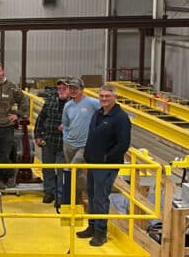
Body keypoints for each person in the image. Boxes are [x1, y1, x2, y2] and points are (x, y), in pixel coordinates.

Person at [79, 85, 132, 247]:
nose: (103, 99)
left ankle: (101, 233)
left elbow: (123, 143)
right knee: (92, 195)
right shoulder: (98, 114)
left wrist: (106, 157)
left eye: (107, 96)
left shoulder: (120, 118)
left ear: (115, 97)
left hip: (107, 165)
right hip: (93, 163)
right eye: (101, 96)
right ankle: (92, 226)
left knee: (101, 198)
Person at [61, 77, 101, 206]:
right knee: (75, 173)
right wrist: (66, 138)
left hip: (84, 145)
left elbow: (105, 113)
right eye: (70, 88)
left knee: (71, 169)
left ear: (82, 90)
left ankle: (91, 192)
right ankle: (75, 199)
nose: (73, 91)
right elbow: (65, 124)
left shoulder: (92, 103)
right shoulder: (68, 105)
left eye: (75, 88)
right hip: (69, 144)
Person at [34, 79, 70, 204]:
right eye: (59, 88)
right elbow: (40, 118)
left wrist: (67, 126)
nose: (61, 91)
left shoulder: (73, 104)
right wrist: (38, 135)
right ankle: (49, 191)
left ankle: (60, 195)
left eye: (64, 88)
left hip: (64, 143)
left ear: (70, 90)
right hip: (48, 140)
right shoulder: (50, 102)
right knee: (47, 167)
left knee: (61, 170)